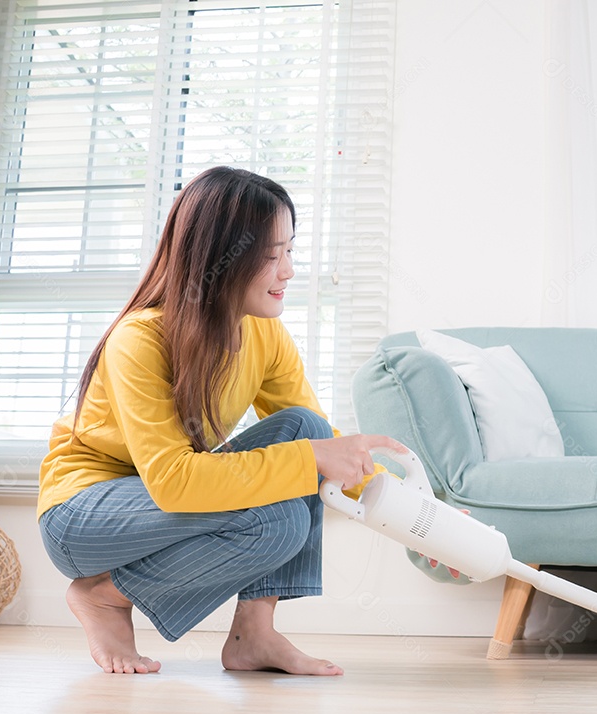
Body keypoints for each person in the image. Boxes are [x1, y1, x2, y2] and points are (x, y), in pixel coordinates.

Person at [38, 166, 411, 676]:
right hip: (84, 513)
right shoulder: (140, 340)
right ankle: (104, 596)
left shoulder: (264, 334)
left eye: (290, 250)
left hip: (160, 500)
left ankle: (253, 635)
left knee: (305, 427)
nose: (288, 271)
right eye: (270, 255)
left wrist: (426, 525)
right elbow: (173, 482)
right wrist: (310, 460)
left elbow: (323, 450)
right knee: (280, 520)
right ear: (219, 256)